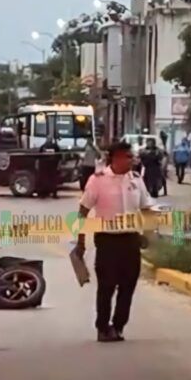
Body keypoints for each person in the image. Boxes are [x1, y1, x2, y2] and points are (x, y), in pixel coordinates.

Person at [73, 140, 159, 342]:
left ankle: (119, 325)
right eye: (129, 156)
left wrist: (147, 233)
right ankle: (103, 327)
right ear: (117, 157)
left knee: (128, 286)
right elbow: (83, 211)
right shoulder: (98, 180)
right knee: (107, 286)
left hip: (130, 240)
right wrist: (80, 241)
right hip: (107, 241)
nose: (133, 160)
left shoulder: (136, 179)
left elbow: (146, 208)